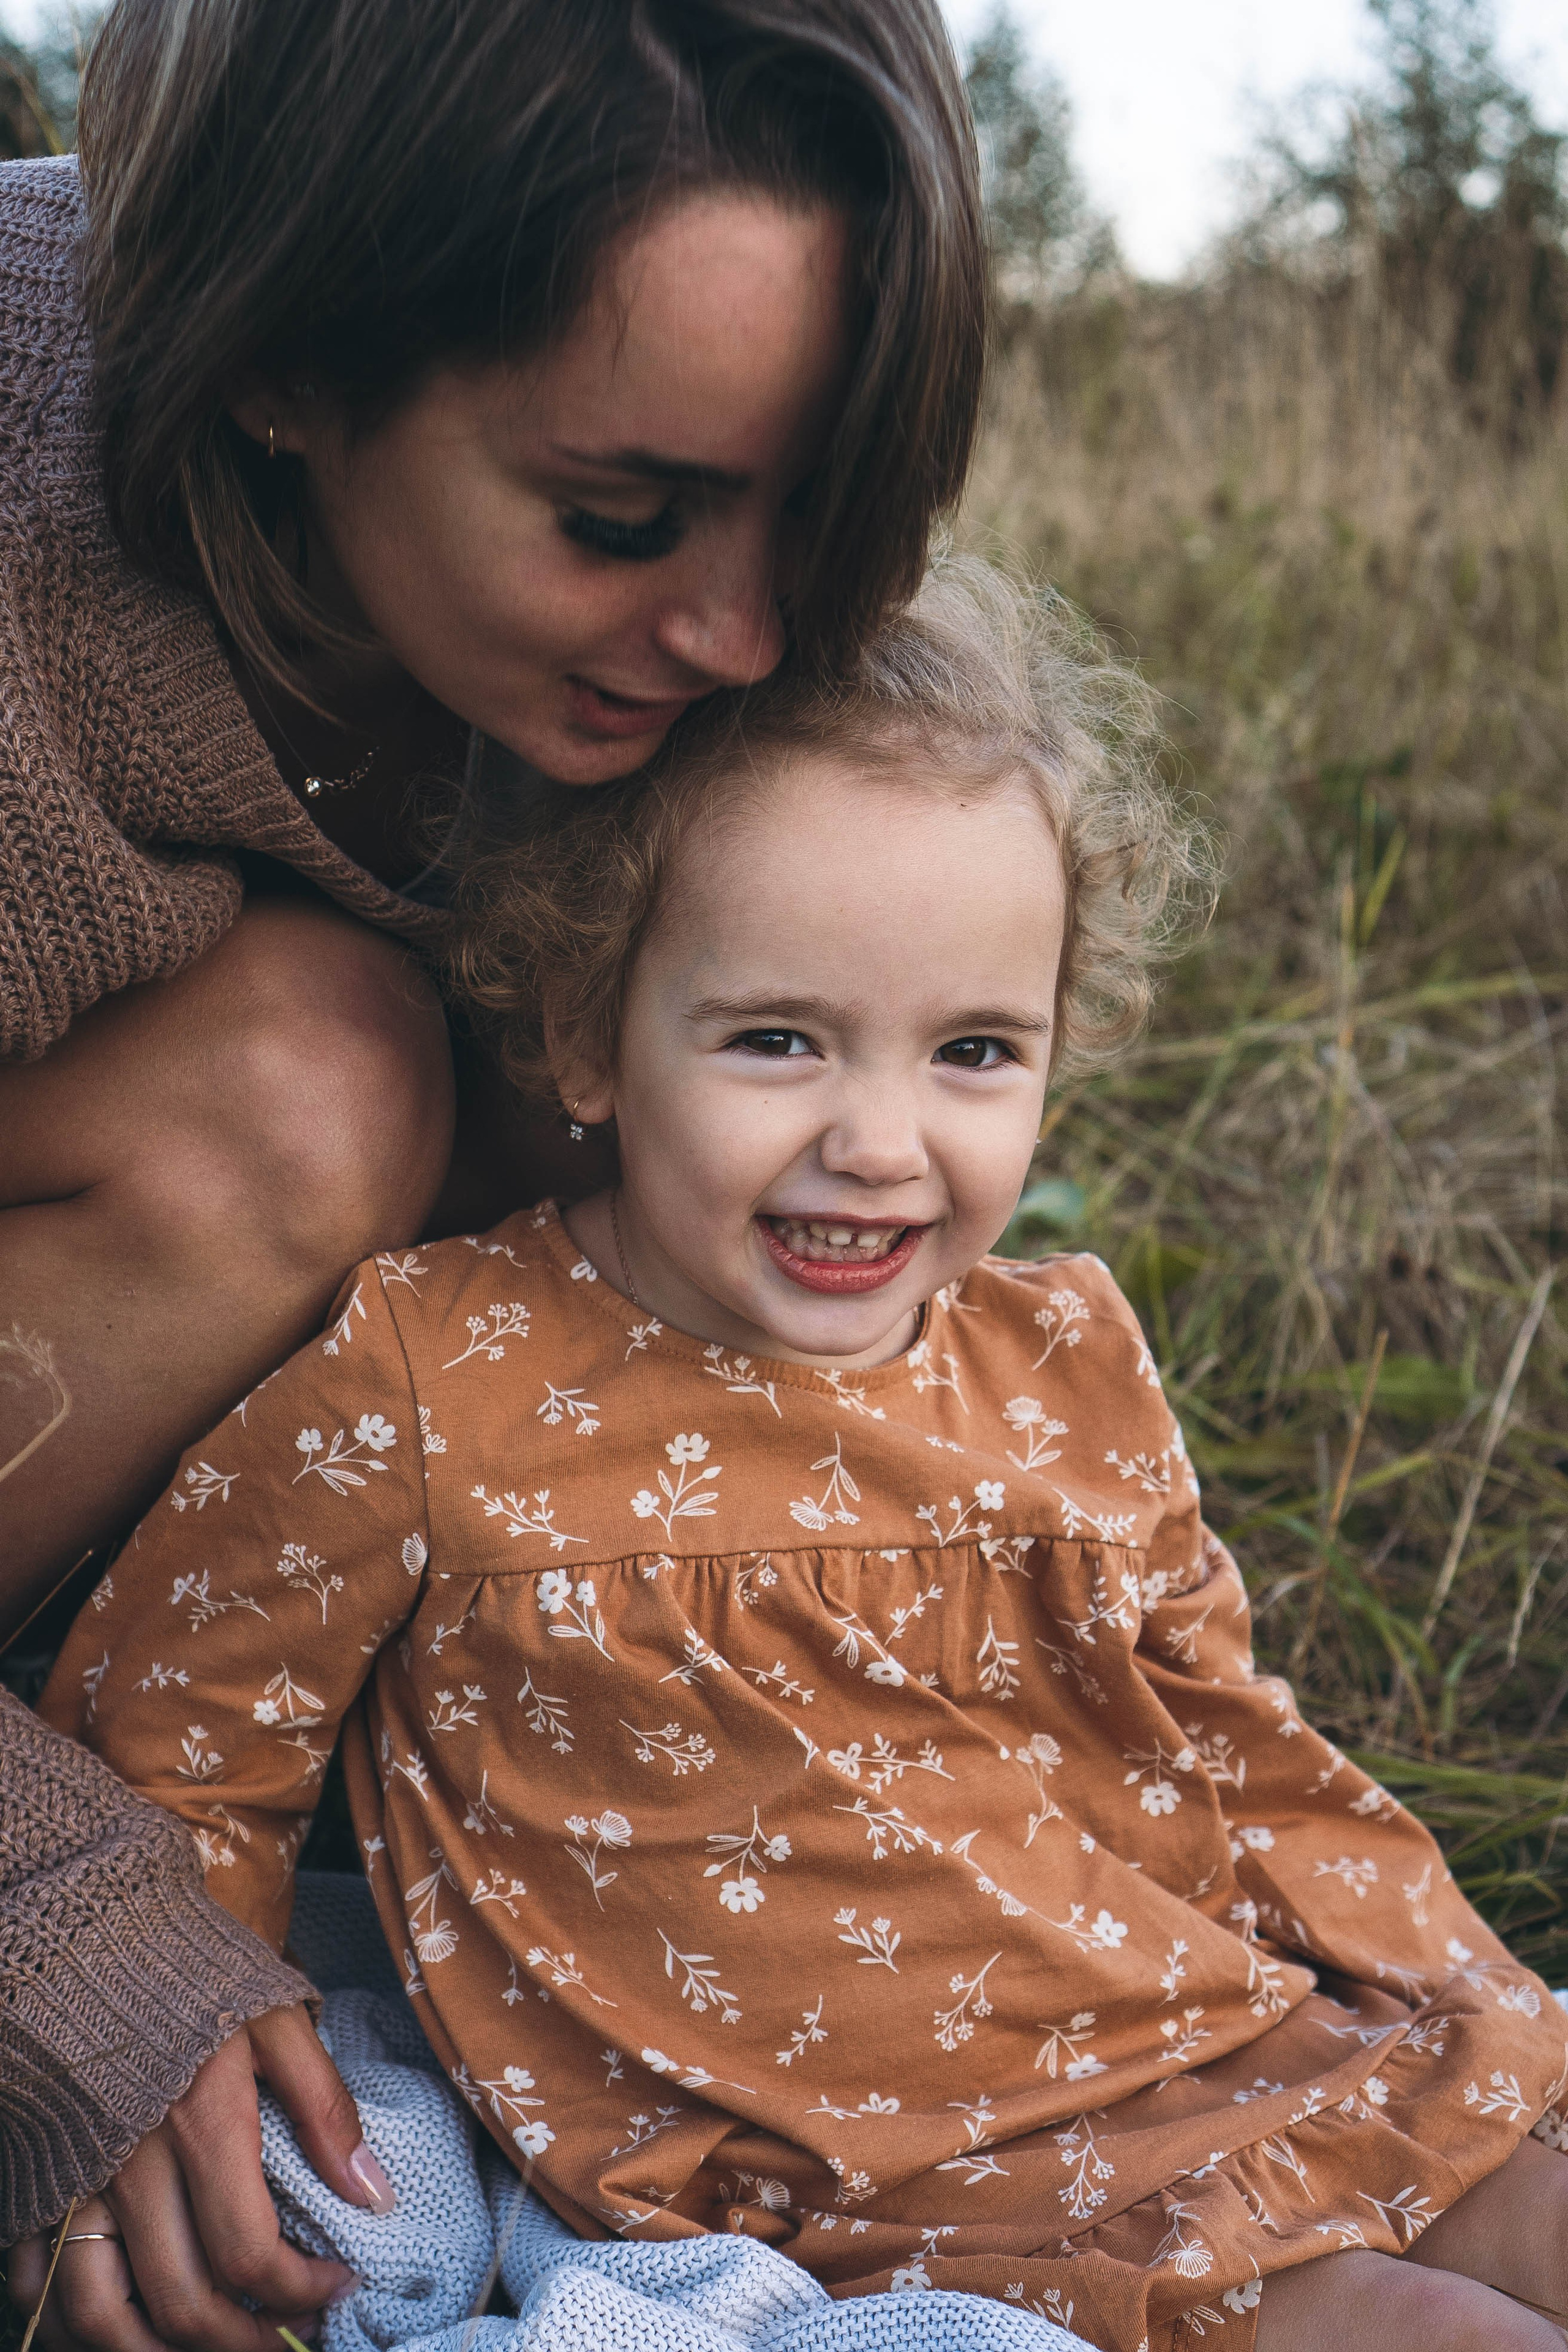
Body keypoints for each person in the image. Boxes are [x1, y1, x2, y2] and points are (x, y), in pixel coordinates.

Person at [38, 565, 1568, 2352]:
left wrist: (1479, 1997)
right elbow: (180, 1739)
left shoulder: (1059, 1353)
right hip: (864, 2169)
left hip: (1192, 2027)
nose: (880, 1140)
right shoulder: (435, 1372)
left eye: (975, 1052)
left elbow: (1228, 1733)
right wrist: (172, 2055)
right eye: (779, 1040)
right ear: (587, 1032)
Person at [0, 0, 984, 2342]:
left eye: (821, 500)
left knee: (668, 1060)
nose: (744, 628)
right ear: (279, 368)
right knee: (317, 1084)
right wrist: (61, 1919)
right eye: (620, 521)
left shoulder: (720, 623)